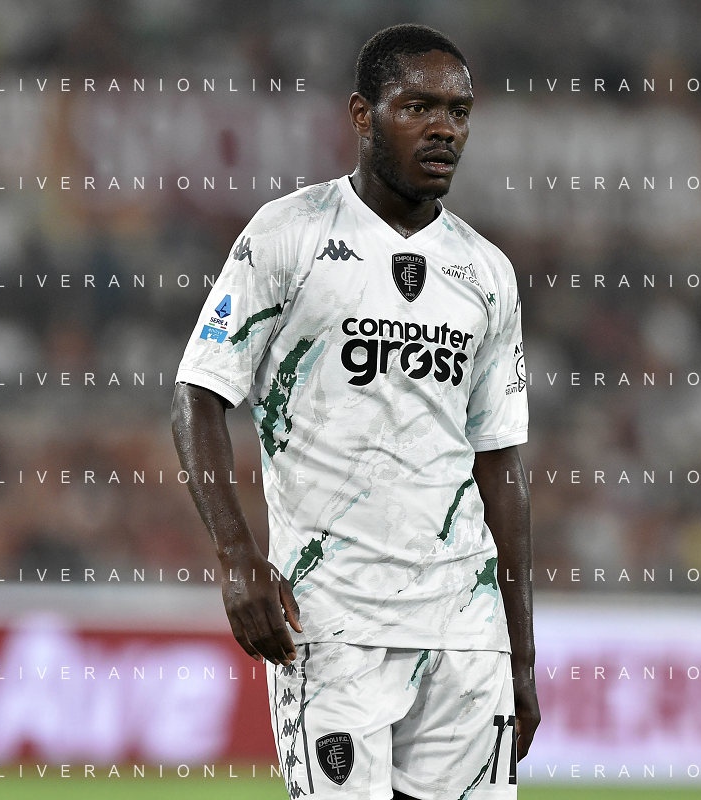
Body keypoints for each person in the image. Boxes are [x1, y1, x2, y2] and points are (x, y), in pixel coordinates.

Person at [171, 23, 537, 800]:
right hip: (330, 619)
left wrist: (521, 655)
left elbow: (499, 462)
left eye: (458, 112)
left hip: (465, 628)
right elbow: (197, 395)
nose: (444, 128)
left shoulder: (486, 272)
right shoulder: (289, 235)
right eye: (418, 107)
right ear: (362, 115)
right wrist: (236, 556)